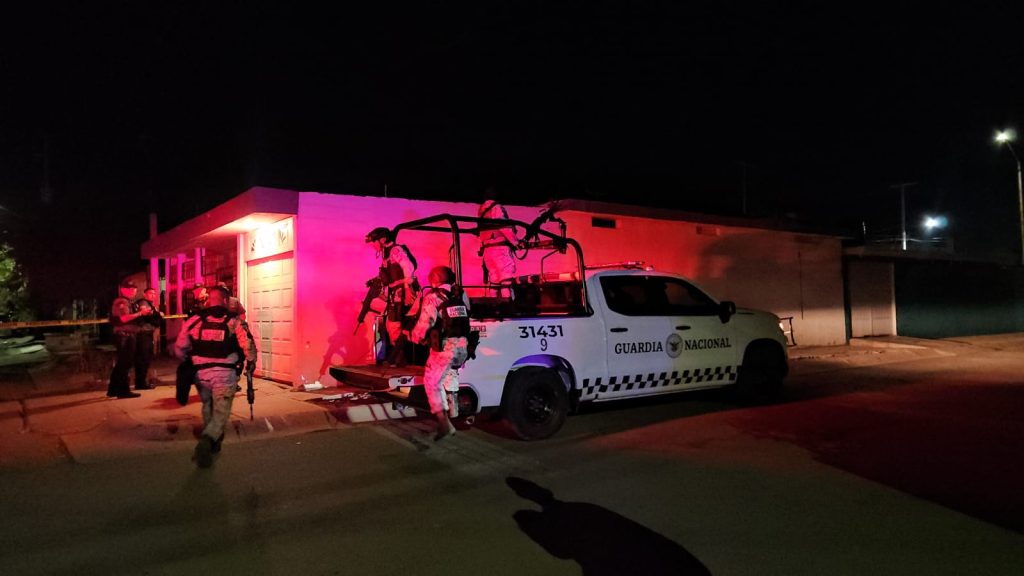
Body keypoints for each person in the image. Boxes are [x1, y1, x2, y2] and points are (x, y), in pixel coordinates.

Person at [174, 285, 257, 468]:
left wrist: (189, 361)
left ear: (208, 300)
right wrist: (251, 362)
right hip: (224, 373)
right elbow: (248, 344)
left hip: (201, 374)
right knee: (221, 411)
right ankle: (208, 438)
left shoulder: (195, 320)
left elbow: (180, 347)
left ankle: (213, 440)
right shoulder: (233, 321)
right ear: (226, 300)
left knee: (207, 404)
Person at [410, 265, 470, 441]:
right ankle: (453, 414)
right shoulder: (461, 294)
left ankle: (444, 424)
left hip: (444, 349)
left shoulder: (432, 297)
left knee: (431, 382)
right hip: (463, 347)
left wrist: (414, 337)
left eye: (430, 277)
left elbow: (426, 323)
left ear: (436, 278)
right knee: (448, 375)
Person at [365, 226, 419, 367]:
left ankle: (399, 358)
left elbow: (408, 267)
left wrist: (407, 289)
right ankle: (399, 358)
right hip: (395, 292)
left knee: (395, 325)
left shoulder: (396, 250)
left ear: (382, 239)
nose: (373, 246)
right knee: (392, 326)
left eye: (374, 242)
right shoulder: (387, 253)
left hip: (402, 291)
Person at [107, 278, 156, 398]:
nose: (132, 291)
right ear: (123, 289)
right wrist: (140, 313)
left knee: (122, 364)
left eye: (134, 289)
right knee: (125, 364)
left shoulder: (130, 302)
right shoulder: (121, 302)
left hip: (129, 335)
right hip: (125, 336)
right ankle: (123, 391)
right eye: (129, 289)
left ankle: (113, 389)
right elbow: (123, 318)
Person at [478, 185, 519, 291]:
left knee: (494, 278)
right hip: (500, 248)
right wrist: (516, 242)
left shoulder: (481, 210)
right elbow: (503, 225)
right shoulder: (497, 207)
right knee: (506, 277)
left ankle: (494, 300)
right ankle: (507, 300)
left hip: (487, 249)